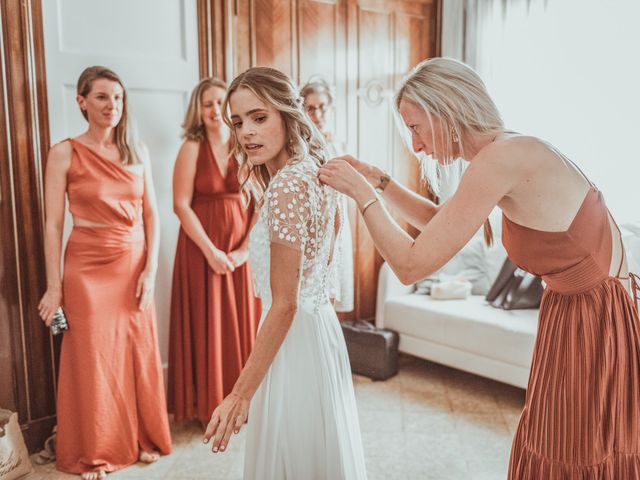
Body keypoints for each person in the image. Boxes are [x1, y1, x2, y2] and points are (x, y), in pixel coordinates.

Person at [318, 57, 640, 479]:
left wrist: (361, 196)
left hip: (594, 319)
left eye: (415, 128)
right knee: (558, 439)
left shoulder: (502, 159)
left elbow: (412, 265)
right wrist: (381, 182)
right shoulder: (504, 151)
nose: (415, 146)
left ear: (446, 111)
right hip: (580, 310)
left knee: (572, 447)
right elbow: (442, 226)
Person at [202, 67, 367, 480]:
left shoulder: (288, 185)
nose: (246, 133)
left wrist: (240, 394)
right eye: (238, 122)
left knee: (291, 456)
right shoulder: (316, 168)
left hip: (292, 342)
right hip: (319, 331)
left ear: (287, 114)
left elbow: (286, 302)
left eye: (259, 118)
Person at [37, 66, 171, 479]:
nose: (112, 105)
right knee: (94, 358)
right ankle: (96, 451)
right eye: (101, 97)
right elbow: (53, 225)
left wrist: (150, 271)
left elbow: (152, 214)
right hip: (86, 266)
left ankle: (143, 437)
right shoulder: (64, 152)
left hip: (132, 263)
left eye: (117, 97)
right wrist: (54, 287)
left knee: (136, 351)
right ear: (81, 101)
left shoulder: (138, 151)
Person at [168, 78, 260, 425]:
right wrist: (210, 252)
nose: (214, 109)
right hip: (199, 252)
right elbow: (180, 205)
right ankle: (208, 404)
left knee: (242, 324)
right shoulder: (192, 147)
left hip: (241, 253)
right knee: (208, 325)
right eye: (207, 103)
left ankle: (243, 401)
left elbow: (258, 203)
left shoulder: (246, 145)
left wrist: (244, 251)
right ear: (198, 108)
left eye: (220, 102)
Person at [301, 78, 354, 312]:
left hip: (338, 215)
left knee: (334, 284)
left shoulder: (337, 144)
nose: (318, 113)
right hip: (312, 219)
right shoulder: (300, 145)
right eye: (311, 108)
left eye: (322, 107)